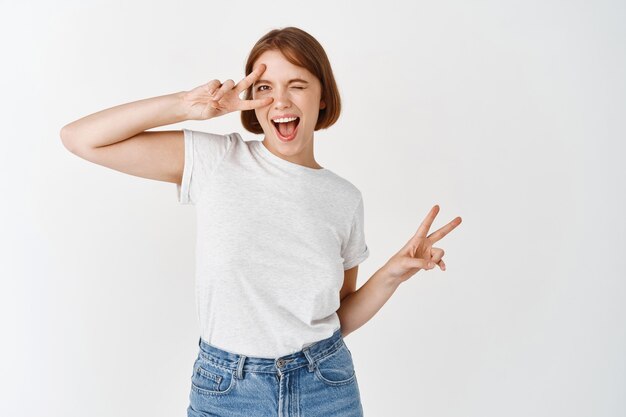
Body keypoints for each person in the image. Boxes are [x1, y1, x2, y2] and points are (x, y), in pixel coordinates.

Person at [60, 26, 462, 417]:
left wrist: (392, 273)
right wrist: (186, 105)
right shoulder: (216, 161)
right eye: (265, 88)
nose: (280, 101)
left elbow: (336, 318)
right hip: (226, 391)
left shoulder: (344, 199)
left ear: (322, 97)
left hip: (325, 386)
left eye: (298, 85)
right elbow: (81, 138)